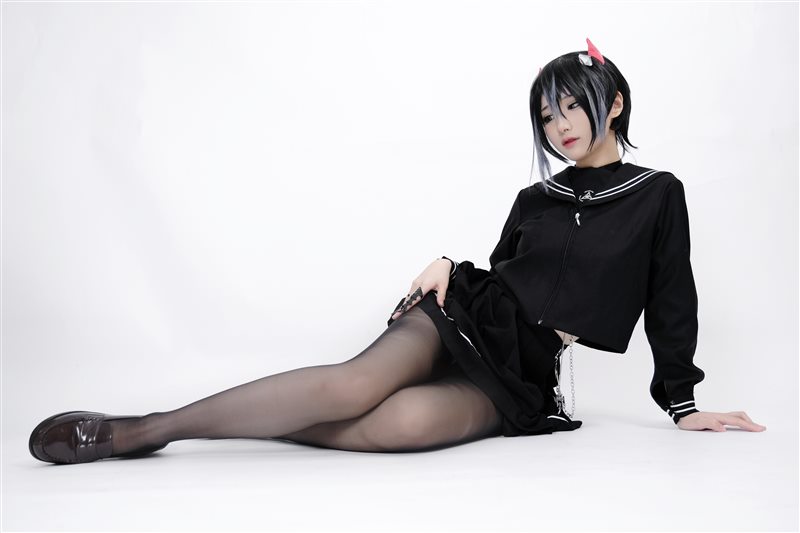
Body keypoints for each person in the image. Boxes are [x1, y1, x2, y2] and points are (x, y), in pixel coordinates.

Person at [28, 38, 766, 465]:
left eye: (572, 105)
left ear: (614, 103)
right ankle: (142, 429)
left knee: (399, 427)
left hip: (524, 370)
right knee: (354, 386)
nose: (559, 125)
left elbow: (672, 295)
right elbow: (504, 274)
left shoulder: (656, 193)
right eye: (546, 115)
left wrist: (683, 403)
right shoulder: (535, 197)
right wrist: (447, 264)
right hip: (465, 312)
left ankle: (245, 418)